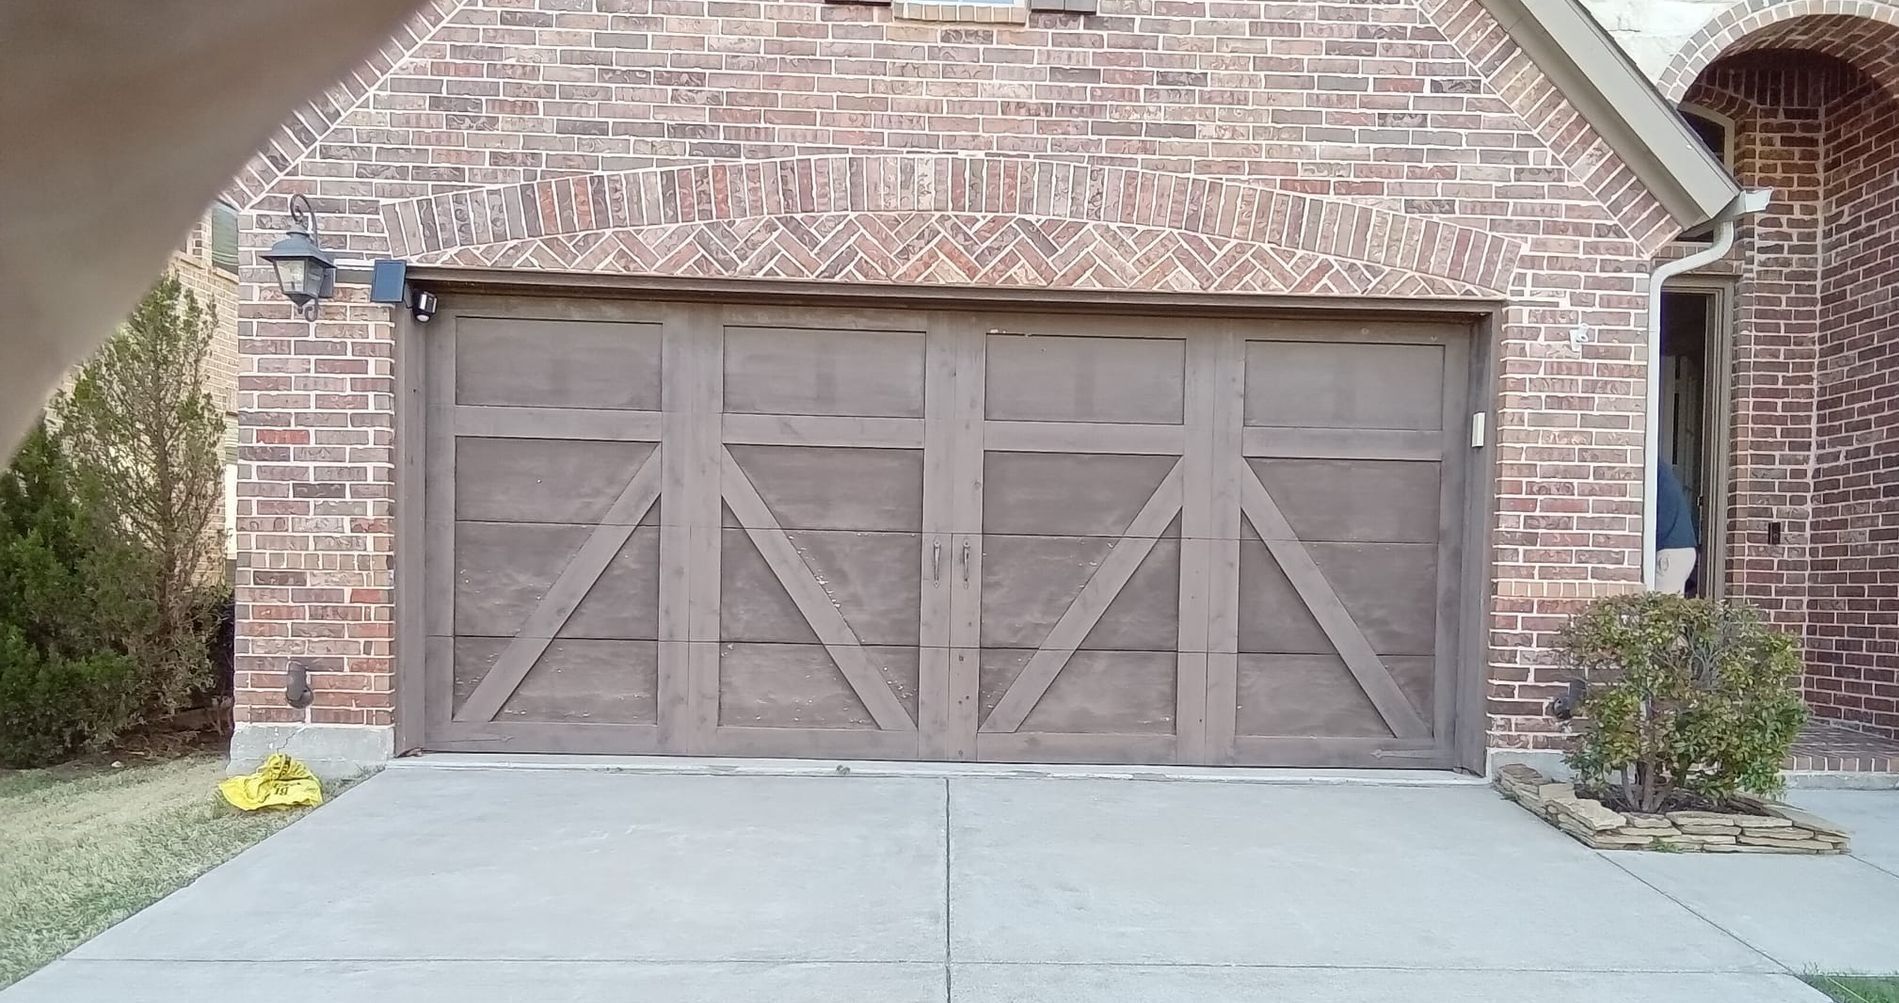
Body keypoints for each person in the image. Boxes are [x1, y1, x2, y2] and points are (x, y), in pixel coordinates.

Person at [1655, 460, 1698, 595]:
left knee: (1660, 611)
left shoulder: (1648, 468)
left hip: (1670, 551)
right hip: (1680, 549)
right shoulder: (1661, 470)